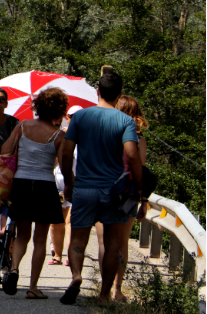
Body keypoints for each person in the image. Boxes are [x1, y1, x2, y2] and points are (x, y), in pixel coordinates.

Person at [59, 72, 142, 306]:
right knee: (113, 243)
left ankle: (76, 276)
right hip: (113, 191)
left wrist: (68, 180)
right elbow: (132, 154)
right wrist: (139, 185)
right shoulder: (125, 121)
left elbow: (66, 152)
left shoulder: (81, 117)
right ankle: (104, 296)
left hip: (84, 188)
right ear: (119, 95)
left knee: (78, 237)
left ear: (97, 92)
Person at [1, 88, 68, 298]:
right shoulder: (59, 135)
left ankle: (13, 269)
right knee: (40, 239)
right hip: (45, 186)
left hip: (21, 183)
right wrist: (71, 188)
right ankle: (33, 287)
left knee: (22, 236)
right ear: (59, 109)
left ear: (38, 107)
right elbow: (65, 168)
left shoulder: (22, 126)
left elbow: (5, 150)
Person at [93, 96, 148, 302]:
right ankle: (117, 290)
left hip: (103, 189)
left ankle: (103, 289)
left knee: (103, 242)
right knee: (121, 242)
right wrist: (144, 199)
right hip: (127, 193)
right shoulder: (139, 140)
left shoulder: (104, 135)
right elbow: (139, 169)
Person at [49, 105, 82, 267]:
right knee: (56, 222)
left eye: (78, 116)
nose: (74, 119)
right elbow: (52, 161)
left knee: (70, 221)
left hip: (75, 185)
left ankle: (69, 255)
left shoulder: (86, 139)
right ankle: (57, 254)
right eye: (71, 116)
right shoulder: (60, 136)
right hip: (56, 184)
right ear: (67, 118)